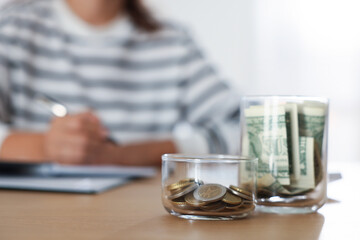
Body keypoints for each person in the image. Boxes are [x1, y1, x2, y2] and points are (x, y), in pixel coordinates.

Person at [0, 0, 240, 166]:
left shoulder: (172, 42)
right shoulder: (12, 29)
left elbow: (248, 129)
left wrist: (124, 155)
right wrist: (46, 147)